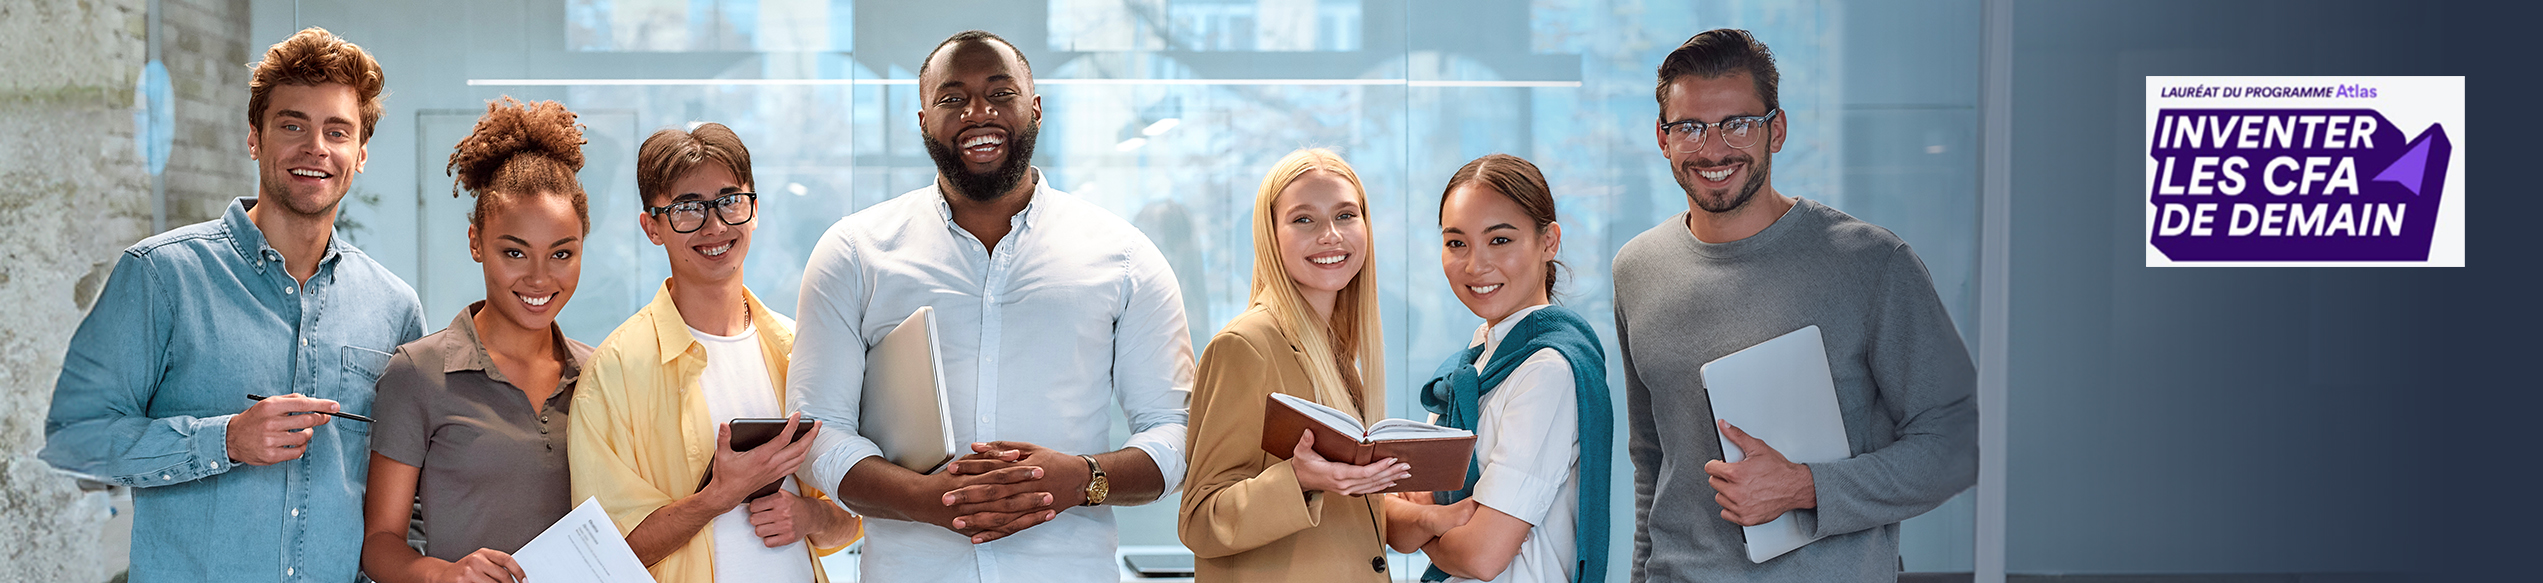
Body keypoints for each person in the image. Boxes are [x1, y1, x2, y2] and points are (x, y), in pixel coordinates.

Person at [789, 29, 1193, 583]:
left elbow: (1174, 429)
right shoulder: (854, 252)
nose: (979, 112)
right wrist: (924, 499)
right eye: (952, 99)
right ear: (924, 120)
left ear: (1036, 108)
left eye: (1000, 93)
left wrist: (1082, 478)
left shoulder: (1124, 257)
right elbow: (818, 431)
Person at [40, 27, 427, 583]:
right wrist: (224, 440)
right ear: (254, 137)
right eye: (292, 124)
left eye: (336, 131)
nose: (315, 147)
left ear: (359, 153)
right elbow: (74, 441)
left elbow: (404, 496)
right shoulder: (160, 277)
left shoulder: (395, 309)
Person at [1612, 29, 1979, 581]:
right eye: (1690, 127)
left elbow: (1958, 443)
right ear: (1663, 139)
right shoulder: (1637, 268)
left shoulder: (1873, 264)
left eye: (1737, 123)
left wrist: (1806, 486)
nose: (1714, 148)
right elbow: (1652, 460)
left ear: (1775, 130)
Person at [568, 123, 861, 583]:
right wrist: (718, 497)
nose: (716, 226)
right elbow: (605, 555)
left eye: (730, 201)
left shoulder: (801, 348)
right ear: (652, 227)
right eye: (688, 208)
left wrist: (809, 517)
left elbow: (853, 516)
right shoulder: (614, 373)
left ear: (755, 209)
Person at [359, 97, 597, 583]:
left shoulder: (600, 376)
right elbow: (379, 544)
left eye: (561, 254)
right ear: (475, 242)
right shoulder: (417, 374)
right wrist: (444, 575)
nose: (539, 277)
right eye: (514, 252)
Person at [1178, 148, 1410, 582]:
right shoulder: (1246, 346)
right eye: (1304, 219)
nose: (1331, 236)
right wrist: (1297, 480)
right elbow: (1200, 519)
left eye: (1345, 216)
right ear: (1271, 235)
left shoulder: (1335, 353)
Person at [1389, 154, 1613, 583]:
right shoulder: (1471, 365)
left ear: (1549, 242)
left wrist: (1422, 519)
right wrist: (1431, 521)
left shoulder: (1548, 370)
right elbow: (1387, 523)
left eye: (1500, 240)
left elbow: (1480, 556)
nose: (1475, 265)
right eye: (1457, 243)